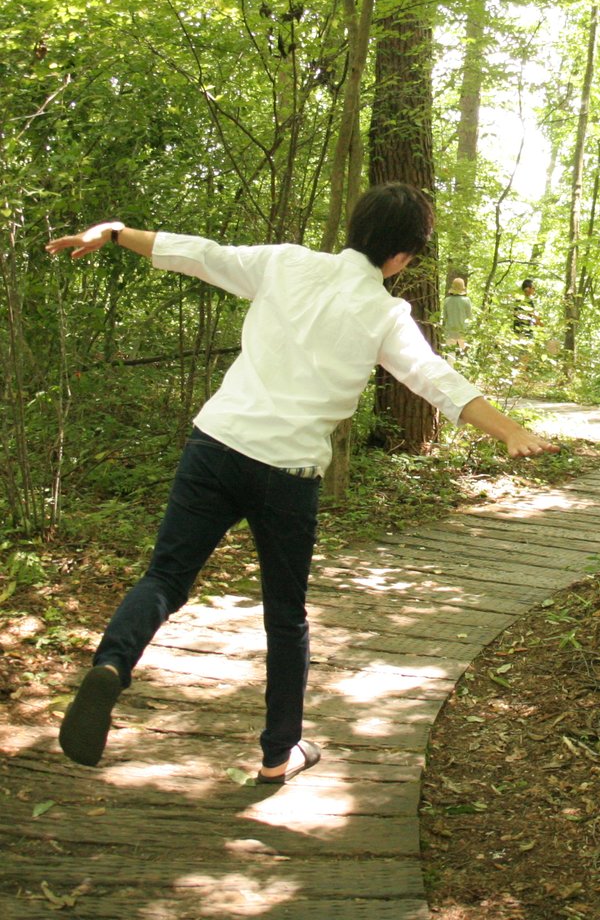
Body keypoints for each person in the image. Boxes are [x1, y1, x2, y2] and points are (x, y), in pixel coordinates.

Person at [45, 183, 558, 783]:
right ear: (402, 257)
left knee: (166, 576)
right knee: (285, 616)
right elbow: (435, 378)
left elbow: (202, 254)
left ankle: (112, 663)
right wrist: (509, 430)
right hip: (287, 473)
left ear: (355, 228)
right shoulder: (385, 313)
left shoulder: (286, 262)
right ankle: (276, 755)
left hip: (216, 444)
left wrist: (113, 232)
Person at [441, 276, 474, 351]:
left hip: (450, 330)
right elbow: (470, 317)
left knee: (450, 353)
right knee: (463, 354)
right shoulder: (466, 300)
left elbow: (445, 317)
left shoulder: (447, 300)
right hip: (463, 330)